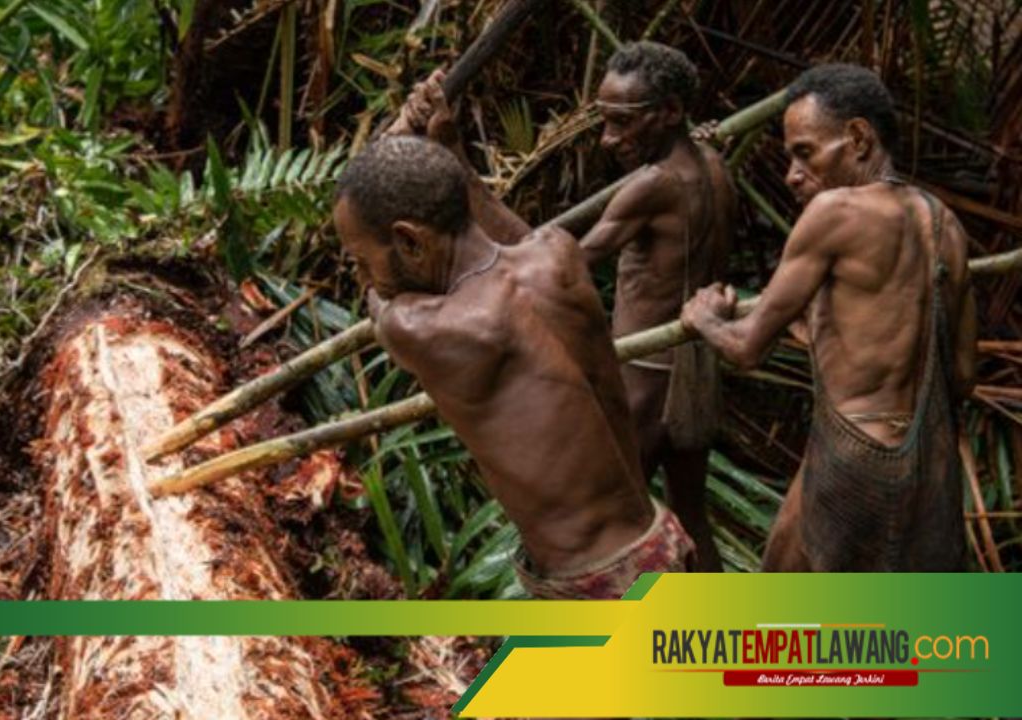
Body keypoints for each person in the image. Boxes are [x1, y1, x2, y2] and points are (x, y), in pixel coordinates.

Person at [392, 42, 734, 571]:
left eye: (624, 123)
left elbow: (549, 264)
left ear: (670, 112)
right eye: (605, 121)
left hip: (648, 380)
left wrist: (456, 159)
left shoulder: (653, 186)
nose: (609, 139)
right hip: (697, 368)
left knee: (610, 536)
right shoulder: (712, 164)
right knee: (690, 515)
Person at [334, 135, 695, 599]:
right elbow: (504, 237)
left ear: (408, 239)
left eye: (362, 260)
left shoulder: (427, 328)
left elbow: (380, 307)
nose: (365, 277)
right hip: (656, 538)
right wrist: (448, 151)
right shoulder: (558, 254)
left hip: (599, 584)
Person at [681, 63, 977, 571]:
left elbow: (748, 347)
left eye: (805, 152)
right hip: (931, 463)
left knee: (794, 624)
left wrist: (703, 317)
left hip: (854, 455)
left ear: (859, 138)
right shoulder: (947, 225)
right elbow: (964, 377)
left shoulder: (834, 212)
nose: (792, 175)